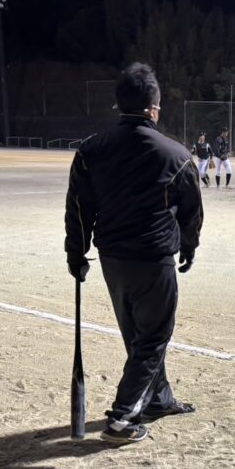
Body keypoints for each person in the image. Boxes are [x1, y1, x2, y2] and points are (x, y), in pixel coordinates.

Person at [65, 63, 204, 444]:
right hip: (153, 259)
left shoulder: (91, 150)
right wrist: (189, 246)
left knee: (139, 335)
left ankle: (158, 399)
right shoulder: (176, 155)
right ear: (154, 108)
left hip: (113, 260)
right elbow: (191, 212)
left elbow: (78, 207)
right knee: (153, 336)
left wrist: (76, 253)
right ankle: (122, 418)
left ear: (120, 104)